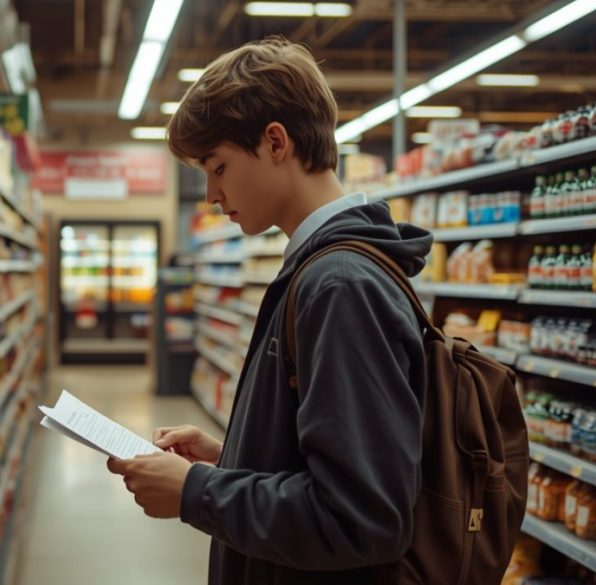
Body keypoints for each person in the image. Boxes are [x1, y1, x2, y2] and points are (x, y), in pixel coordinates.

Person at [106, 36, 434, 584]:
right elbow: (324, 460)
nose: (211, 193)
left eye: (218, 167)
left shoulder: (340, 285)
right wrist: (234, 454)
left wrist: (197, 492)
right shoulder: (320, 268)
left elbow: (363, 517)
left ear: (276, 142)